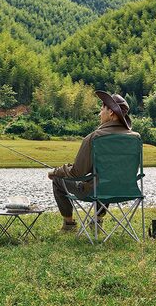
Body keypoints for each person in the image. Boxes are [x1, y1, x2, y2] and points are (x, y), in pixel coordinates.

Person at [48, 90, 140, 231]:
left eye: (102, 109)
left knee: (58, 180)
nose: (99, 113)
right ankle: (97, 221)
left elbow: (77, 171)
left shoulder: (94, 137)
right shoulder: (135, 138)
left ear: (111, 113)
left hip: (95, 191)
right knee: (107, 178)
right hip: (125, 189)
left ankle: (69, 225)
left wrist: (56, 171)